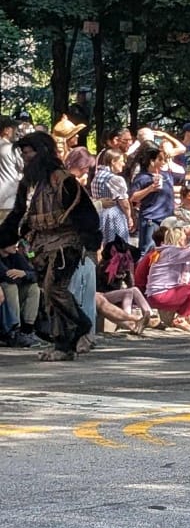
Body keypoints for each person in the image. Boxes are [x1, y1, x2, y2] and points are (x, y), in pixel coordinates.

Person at [0, 132, 100, 360]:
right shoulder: (28, 184)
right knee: (50, 293)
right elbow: (17, 215)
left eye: (29, 152)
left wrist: (91, 241)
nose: (25, 157)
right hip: (41, 246)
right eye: (23, 153)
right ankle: (63, 345)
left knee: (55, 288)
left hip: (67, 244)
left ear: (41, 152)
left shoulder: (62, 179)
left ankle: (81, 326)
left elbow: (86, 212)